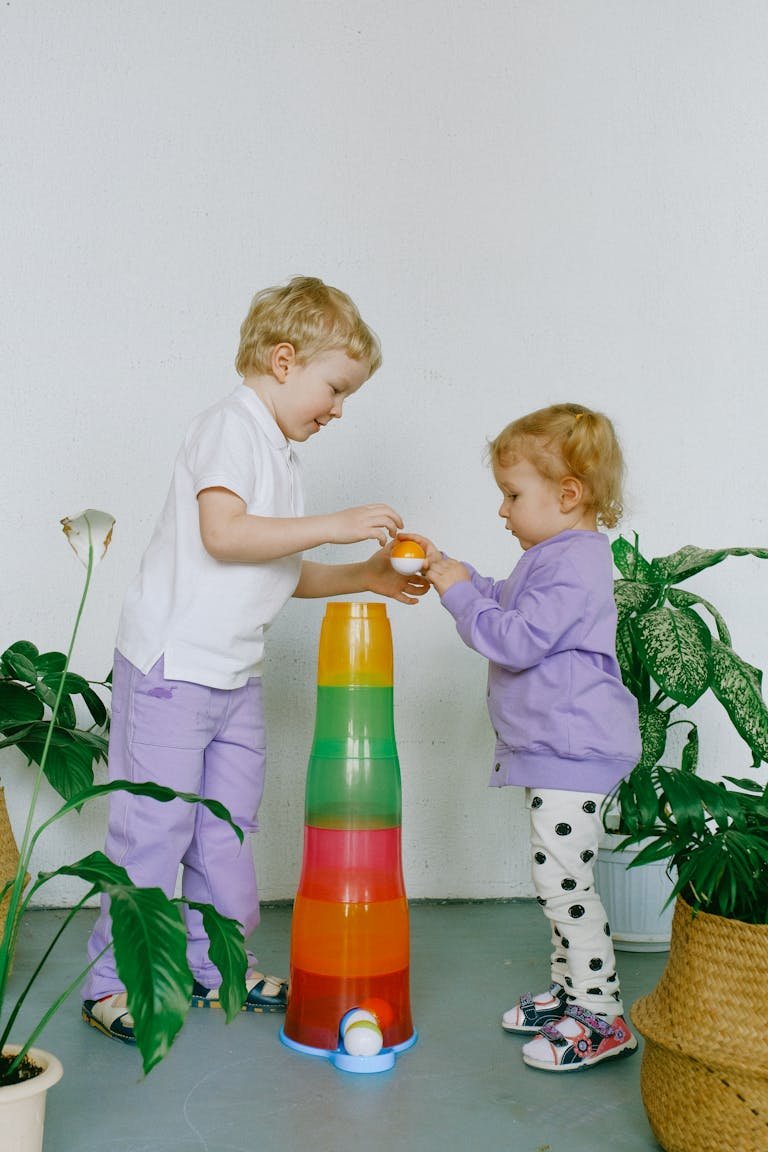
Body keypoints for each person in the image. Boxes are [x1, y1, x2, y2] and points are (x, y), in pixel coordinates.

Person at [82, 275, 428, 1044]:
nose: (337, 410)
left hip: (234, 675)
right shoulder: (229, 426)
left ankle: (214, 969)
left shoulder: (278, 450)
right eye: (334, 389)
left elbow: (272, 566)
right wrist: (337, 524)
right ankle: (111, 985)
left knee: (226, 831)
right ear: (283, 359)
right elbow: (226, 535)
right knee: (154, 830)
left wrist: (360, 577)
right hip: (174, 669)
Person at [407, 402, 641, 1072]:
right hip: (558, 747)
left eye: (513, 496)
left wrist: (457, 596)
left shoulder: (575, 565)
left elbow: (514, 639)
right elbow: (502, 600)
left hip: (576, 749)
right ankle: (573, 995)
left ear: (569, 496)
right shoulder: (552, 557)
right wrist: (450, 568)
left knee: (563, 881)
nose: (503, 511)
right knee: (555, 876)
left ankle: (602, 1016)